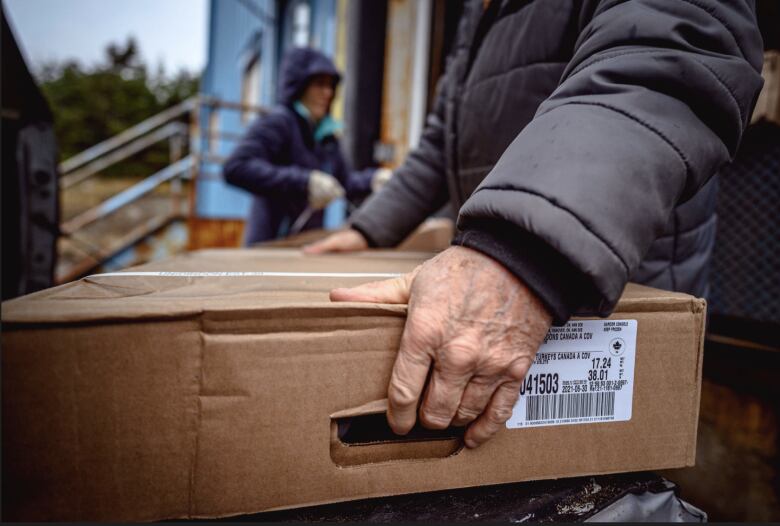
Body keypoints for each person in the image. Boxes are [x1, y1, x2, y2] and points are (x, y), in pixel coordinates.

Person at [305, 0, 764, 448]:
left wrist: (521, 256)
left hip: (596, 286)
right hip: (499, 288)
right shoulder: (475, 13)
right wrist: (367, 230)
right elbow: (443, 135)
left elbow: (670, 56)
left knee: (605, 470)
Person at [223, 47, 390, 244]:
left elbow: (342, 183)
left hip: (306, 244)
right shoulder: (279, 123)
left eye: (331, 86)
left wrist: (373, 180)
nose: (327, 93)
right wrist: (304, 182)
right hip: (270, 244)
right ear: (299, 86)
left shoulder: (327, 137)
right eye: (319, 84)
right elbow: (236, 167)